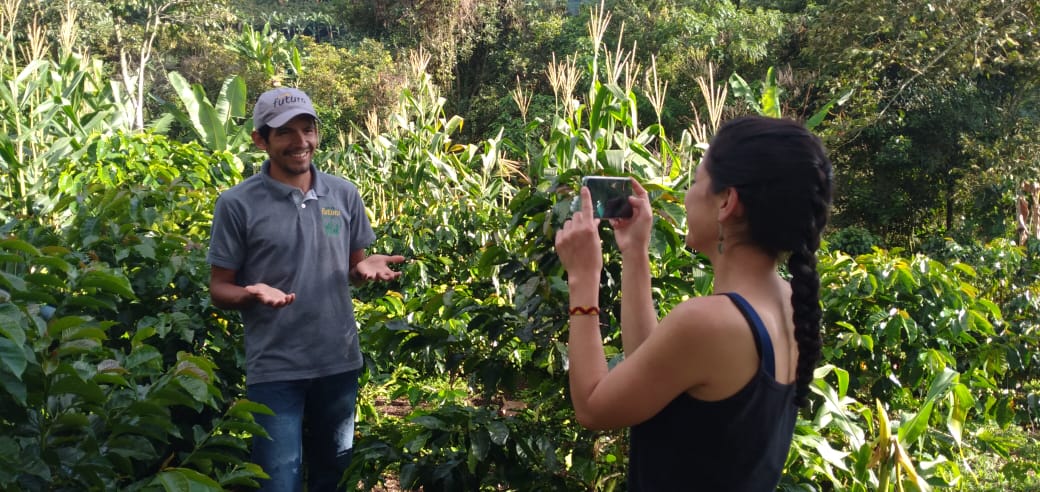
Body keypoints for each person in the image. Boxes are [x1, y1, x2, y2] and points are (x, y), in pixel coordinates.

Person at [554, 115, 833, 491]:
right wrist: (635, 254)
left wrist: (582, 280)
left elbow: (592, 406)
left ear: (727, 202)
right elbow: (653, 372)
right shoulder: (788, 302)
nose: (686, 196)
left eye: (696, 181)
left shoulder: (711, 322)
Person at [207, 87, 405, 491]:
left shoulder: (343, 193)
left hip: (338, 361)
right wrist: (250, 293)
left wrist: (363, 268)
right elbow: (219, 289)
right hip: (275, 367)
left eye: (308, 129)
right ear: (261, 140)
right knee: (279, 479)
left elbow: (353, 266)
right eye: (285, 133)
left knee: (333, 476)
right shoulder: (237, 204)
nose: (301, 143)